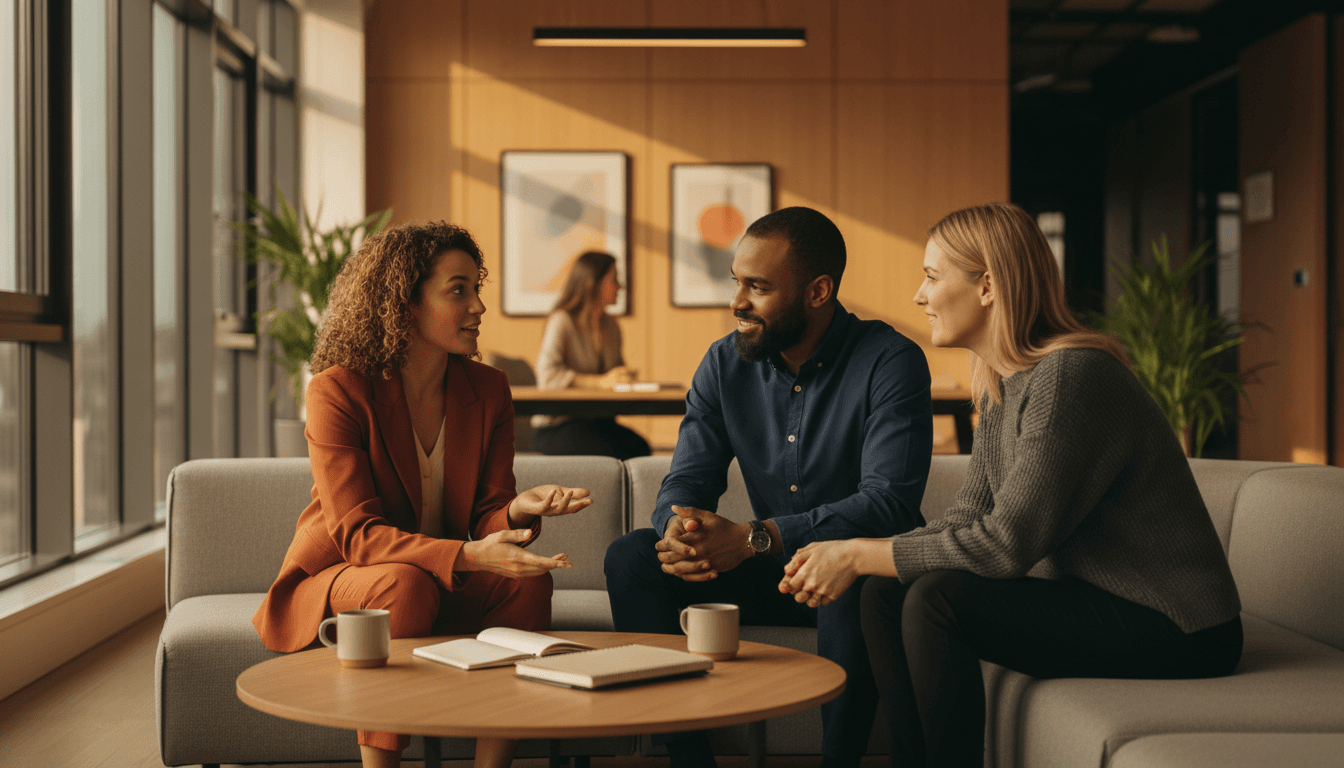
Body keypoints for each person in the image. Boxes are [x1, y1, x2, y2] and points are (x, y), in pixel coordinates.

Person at [777, 202, 1244, 768]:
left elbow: (1005, 544)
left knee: (936, 598)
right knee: (884, 592)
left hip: (1178, 623)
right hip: (1099, 599)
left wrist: (858, 551)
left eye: (931, 276)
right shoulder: (1003, 382)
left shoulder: (1071, 375)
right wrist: (868, 562)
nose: (919, 296)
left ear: (988, 285)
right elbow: (970, 517)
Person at [252, 222, 593, 768]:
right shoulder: (337, 390)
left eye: (475, 288)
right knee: (403, 588)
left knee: (527, 584)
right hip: (352, 572)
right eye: (458, 290)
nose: (478, 306)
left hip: (441, 573)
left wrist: (517, 510)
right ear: (403, 303)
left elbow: (485, 515)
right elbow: (359, 537)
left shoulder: (488, 390)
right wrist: (470, 554)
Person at [604, 207, 935, 768]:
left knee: (844, 571)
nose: (737, 302)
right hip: (774, 570)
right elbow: (687, 477)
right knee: (632, 558)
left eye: (758, 287)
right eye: (738, 282)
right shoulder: (723, 364)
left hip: (862, 576)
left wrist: (756, 536)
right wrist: (679, 528)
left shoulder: (891, 361)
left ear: (818, 291)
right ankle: (688, 760)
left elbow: (888, 502)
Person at [533, 250, 651, 460]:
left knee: (640, 447)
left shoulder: (611, 326)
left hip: (597, 422)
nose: (620, 286)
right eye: (614, 279)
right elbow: (547, 376)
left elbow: (613, 378)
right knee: (616, 451)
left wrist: (623, 377)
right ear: (591, 283)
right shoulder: (562, 321)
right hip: (558, 425)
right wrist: (601, 383)